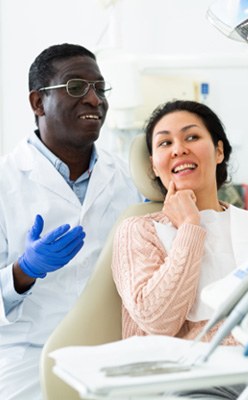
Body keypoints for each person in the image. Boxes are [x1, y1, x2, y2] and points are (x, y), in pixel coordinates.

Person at [0, 43, 142, 400]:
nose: (94, 100)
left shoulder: (126, 178)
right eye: (76, 87)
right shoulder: (6, 181)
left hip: (113, 356)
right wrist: (23, 271)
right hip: (28, 360)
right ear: (37, 103)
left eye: (99, 88)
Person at [111, 100, 248, 399]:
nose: (178, 149)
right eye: (165, 143)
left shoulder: (246, 224)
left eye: (192, 137)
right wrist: (189, 227)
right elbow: (158, 320)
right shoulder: (139, 230)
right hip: (184, 382)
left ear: (219, 151)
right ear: (153, 164)